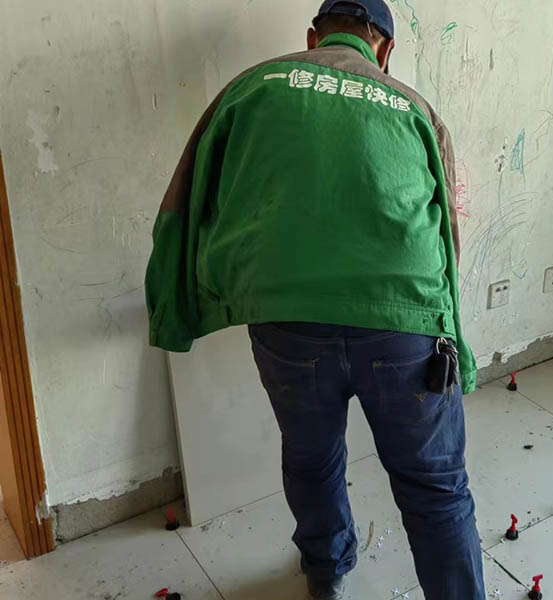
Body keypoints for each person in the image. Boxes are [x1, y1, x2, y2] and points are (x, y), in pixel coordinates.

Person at [145, 1, 484, 598]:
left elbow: (183, 201)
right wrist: (454, 335)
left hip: (287, 323)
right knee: (435, 490)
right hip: (402, 325)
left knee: (312, 457)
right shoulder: (413, 107)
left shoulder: (250, 88)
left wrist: (175, 313)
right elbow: (447, 238)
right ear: (385, 49)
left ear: (312, 37)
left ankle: (326, 574)